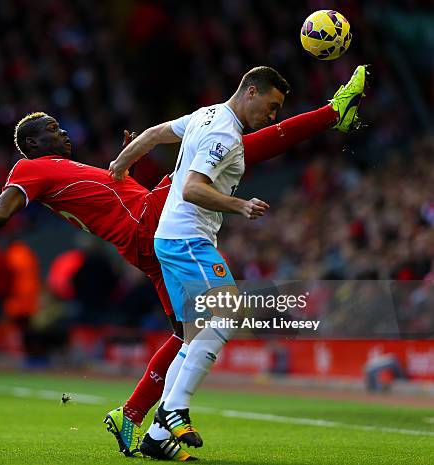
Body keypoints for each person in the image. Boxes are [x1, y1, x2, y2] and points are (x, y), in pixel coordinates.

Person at [0, 66, 366, 460]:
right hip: (148, 226)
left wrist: (129, 161)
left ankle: (138, 421)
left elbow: (116, 193)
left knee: (185, 334)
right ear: (31, 143)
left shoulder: (70, 170)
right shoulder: (30, 169)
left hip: (150, 233)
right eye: (51, 127)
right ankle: (332, 112)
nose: (62, 131)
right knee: (229, 146)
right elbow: (0, 214)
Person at [107, 65, 367, 459]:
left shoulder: (204, 114)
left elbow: (155, 134)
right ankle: (174, 409)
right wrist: (239, 205)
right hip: (186, 238)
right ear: (250, 92)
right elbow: (194, 188)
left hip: (171, 238)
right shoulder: (223, 132)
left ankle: (159, 437)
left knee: (193, 335)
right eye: (272, 105)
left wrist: (121, 163)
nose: (273, 115)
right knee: (227, 315)